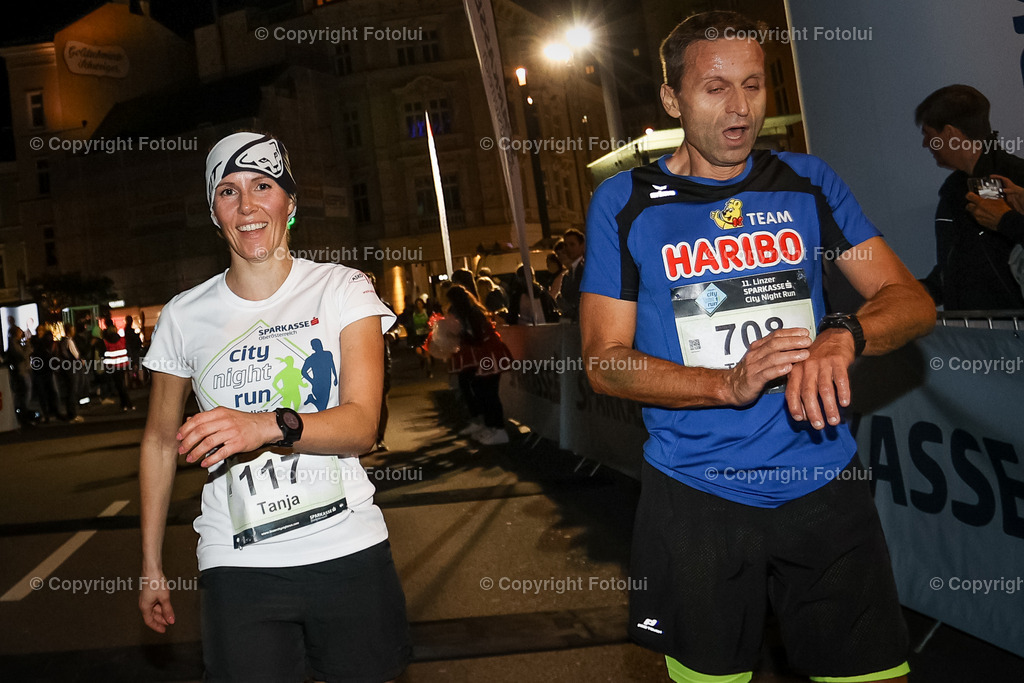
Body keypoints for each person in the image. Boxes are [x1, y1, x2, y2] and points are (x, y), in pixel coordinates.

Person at [580, 12, 935, 683]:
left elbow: (910, 300)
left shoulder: (807, 182)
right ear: (671, 99)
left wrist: (846, 332)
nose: (740, 109)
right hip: (697, 495)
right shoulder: (624, 202)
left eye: (753, 85)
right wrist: (725, 383)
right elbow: (604, 361)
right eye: (715, 89)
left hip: (824, 481)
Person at [138, 131, 410, 682]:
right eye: (228, 192)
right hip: (239, 565)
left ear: (290, 201)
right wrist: (150, 565)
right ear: (214, 213)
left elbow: (362, 426)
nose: (247, 206)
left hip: (348, 550)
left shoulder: (343, 289)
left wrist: (263, 426)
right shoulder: (183, 315)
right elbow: (160, 440)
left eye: (263, 185)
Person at [915, 84, 1024, 310]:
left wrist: (1006, 221)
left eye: (928, 135)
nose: (925, 144)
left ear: (951, 134)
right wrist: (923, 291)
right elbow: (962, 261)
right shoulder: (953, 190)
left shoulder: (1017, 177)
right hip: (971, 337)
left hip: (1013, 337)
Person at [444, 284, 512, 445]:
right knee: (483, 391)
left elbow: (478, 338)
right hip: (485, 355)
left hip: (490, 354)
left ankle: (500, 430)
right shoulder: (469, 314)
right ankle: (491, 427)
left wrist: (459, 336)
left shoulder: (473, 314)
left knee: (489, 393)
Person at [102, 316, 135, 411]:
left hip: (112, 367)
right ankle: (126, 404)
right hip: (123, 365)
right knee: (122, 385)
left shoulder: (105, 341)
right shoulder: (122, 340)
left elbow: (104, 354)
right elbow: (128, 351)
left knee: (119, 386)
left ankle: (126, 404)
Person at [557, 228, 586, 320]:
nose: (568, 248)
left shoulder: (587, 269)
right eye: (565, 245)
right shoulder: (567, 275)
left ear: (582, 246)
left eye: (572, 244)